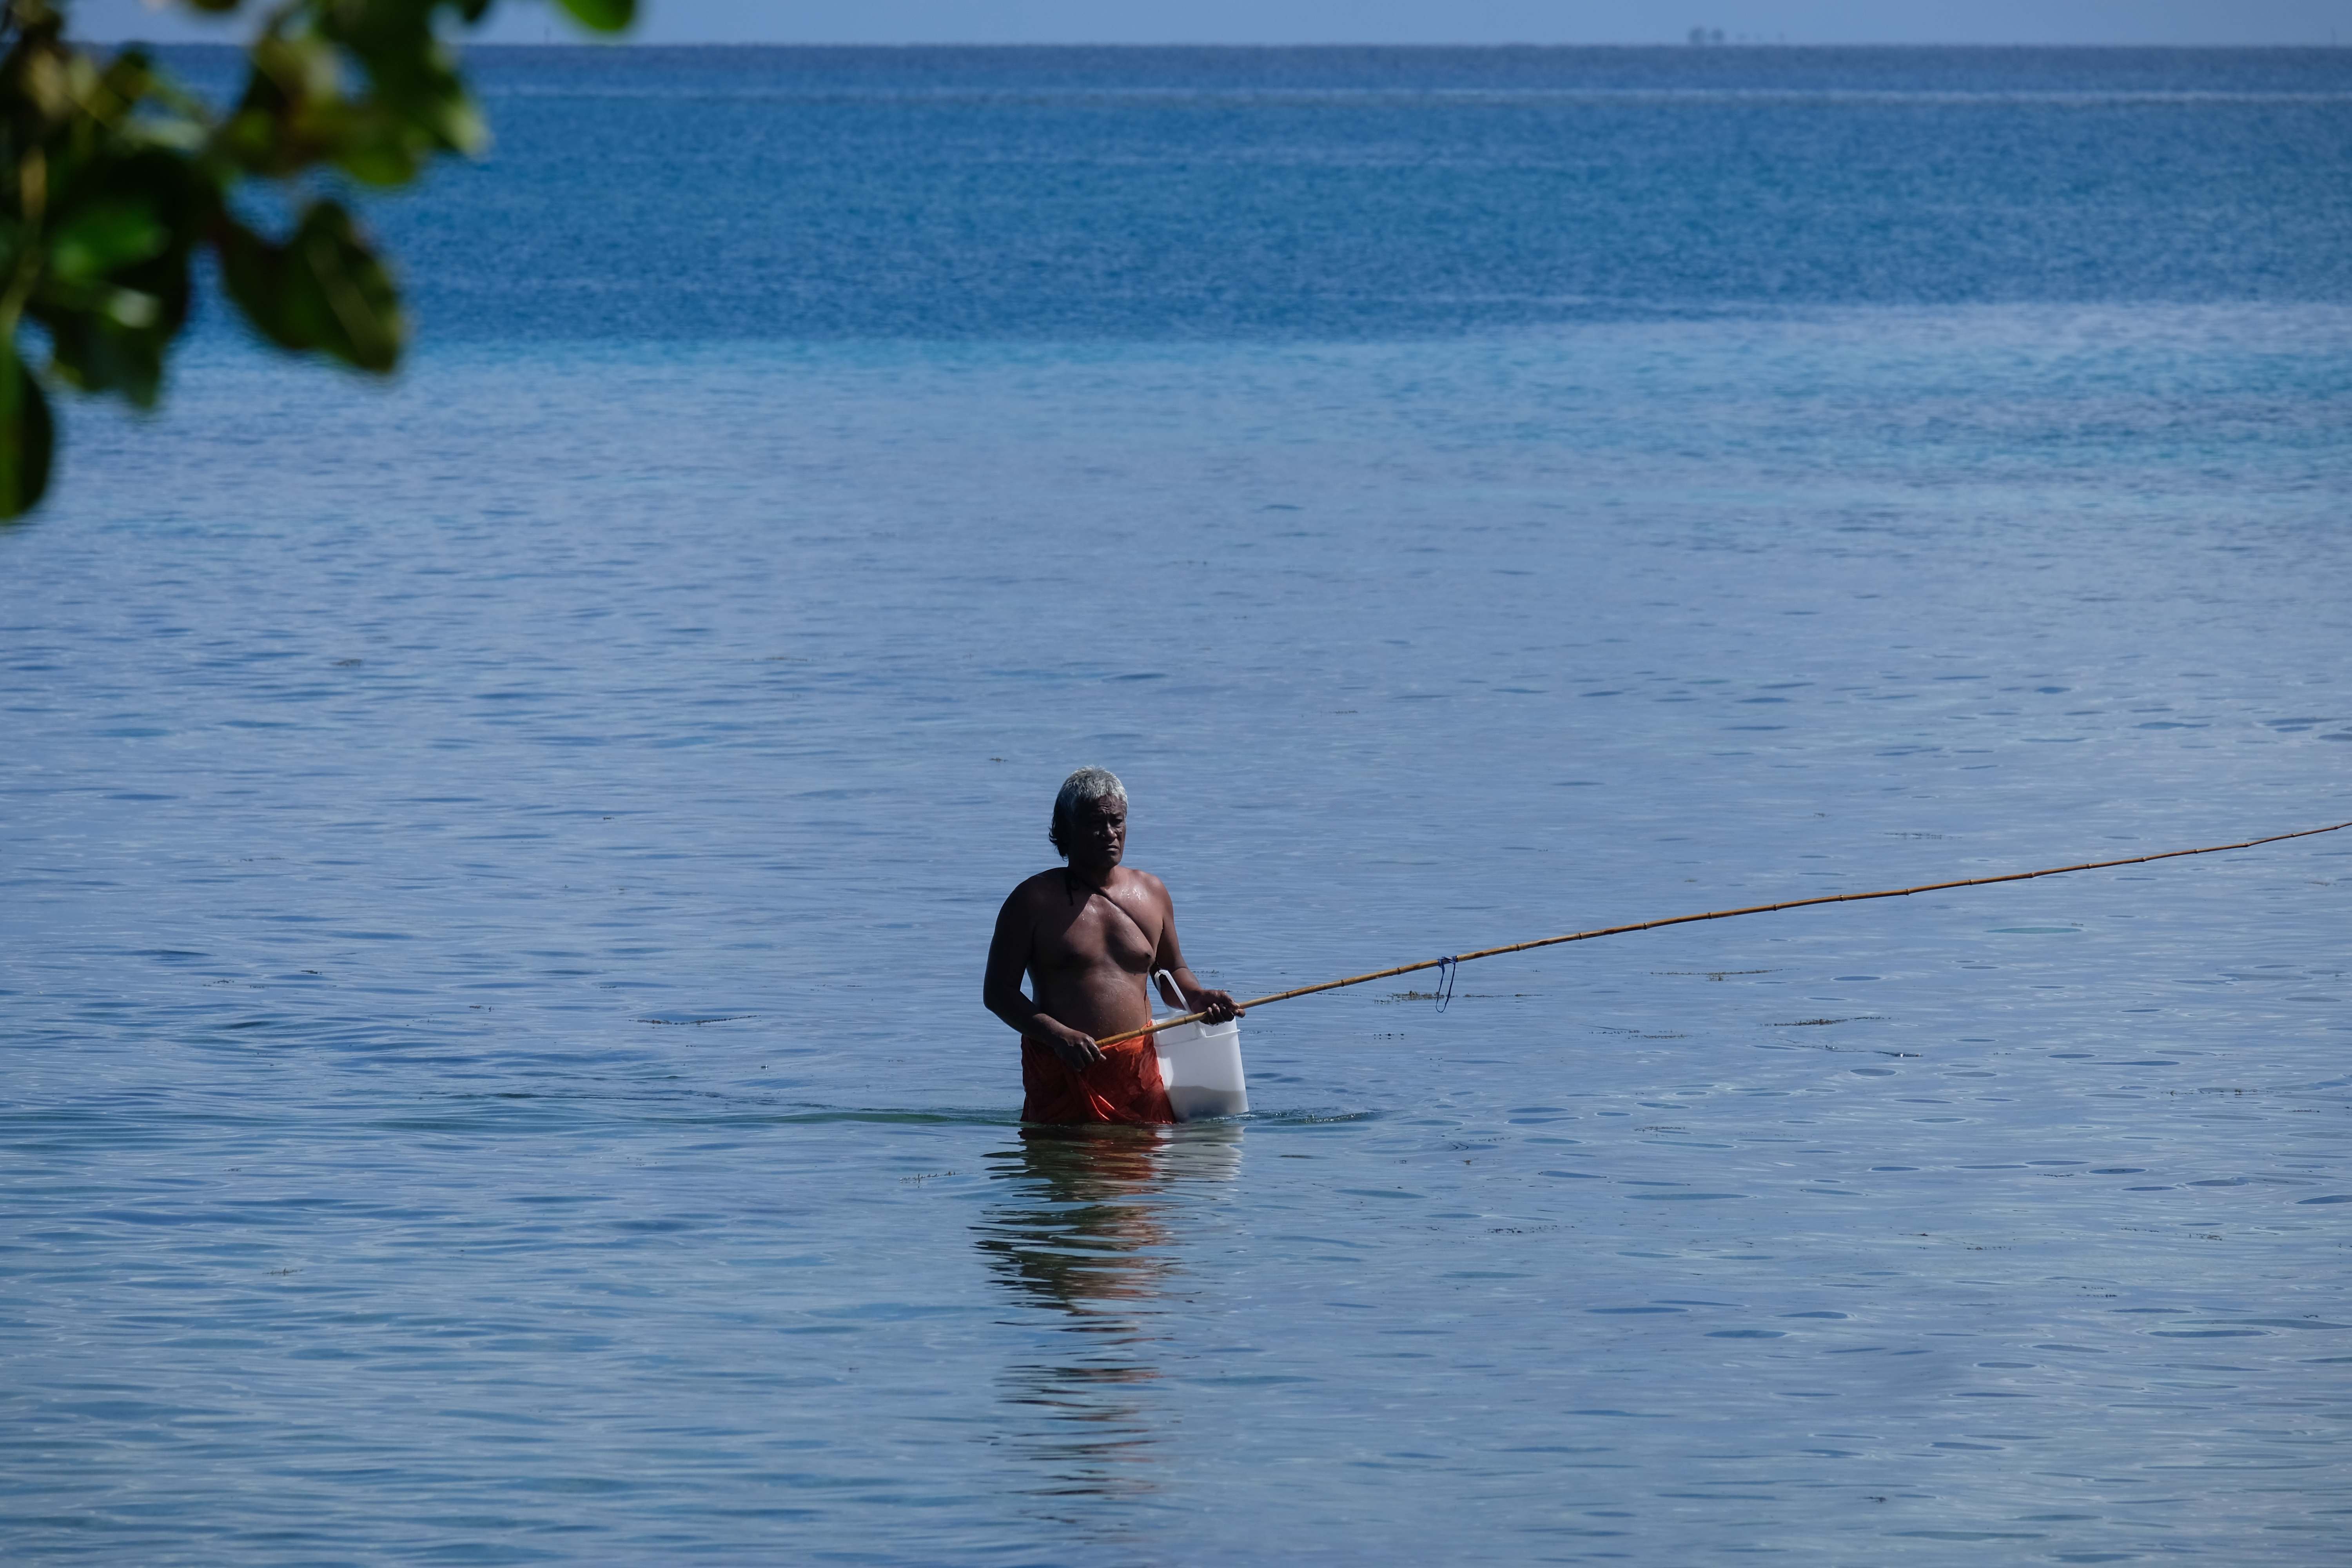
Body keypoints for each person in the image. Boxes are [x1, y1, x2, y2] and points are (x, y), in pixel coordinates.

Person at [984, 767, 1241, 1125]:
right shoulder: (1032, 901)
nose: (1109, 833)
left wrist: (1197, 997)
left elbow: (1171, 971)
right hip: (1063, 1071)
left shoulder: (1151, 893)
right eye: (1095, 823)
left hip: (1138, 1075)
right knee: (1060, 1159)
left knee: (1142, 1158)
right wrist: (1057, 1036)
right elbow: (998, 994)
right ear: (1066, 830)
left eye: (1116, 822)